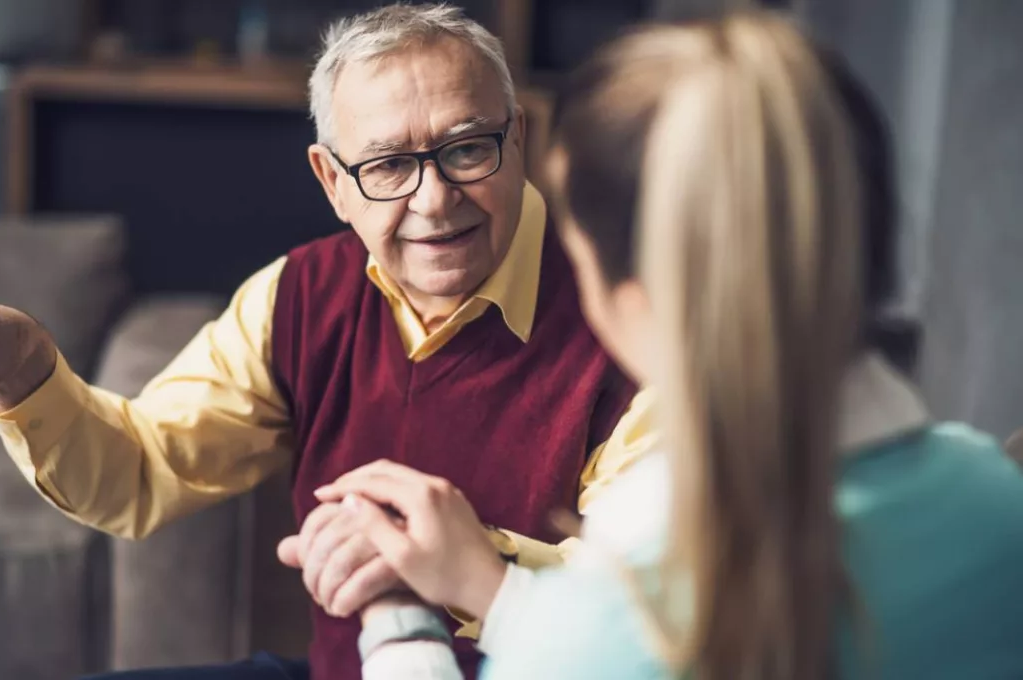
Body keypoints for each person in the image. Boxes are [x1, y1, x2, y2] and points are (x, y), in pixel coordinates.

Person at [0, 4, 653, 680]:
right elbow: (142, 470)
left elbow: (654, 625)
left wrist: (469, 561)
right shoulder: (298, 296)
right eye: (389, 165)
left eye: (465, 150)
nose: (434, 198)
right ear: (332, 181)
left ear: (517, 137)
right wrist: (29, 368)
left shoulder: (632, 316)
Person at [314, 11, 1023, 680]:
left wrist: (399, 622)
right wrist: (495, 593)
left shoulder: (599, 635)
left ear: (635, 294)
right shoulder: (1000, 506)